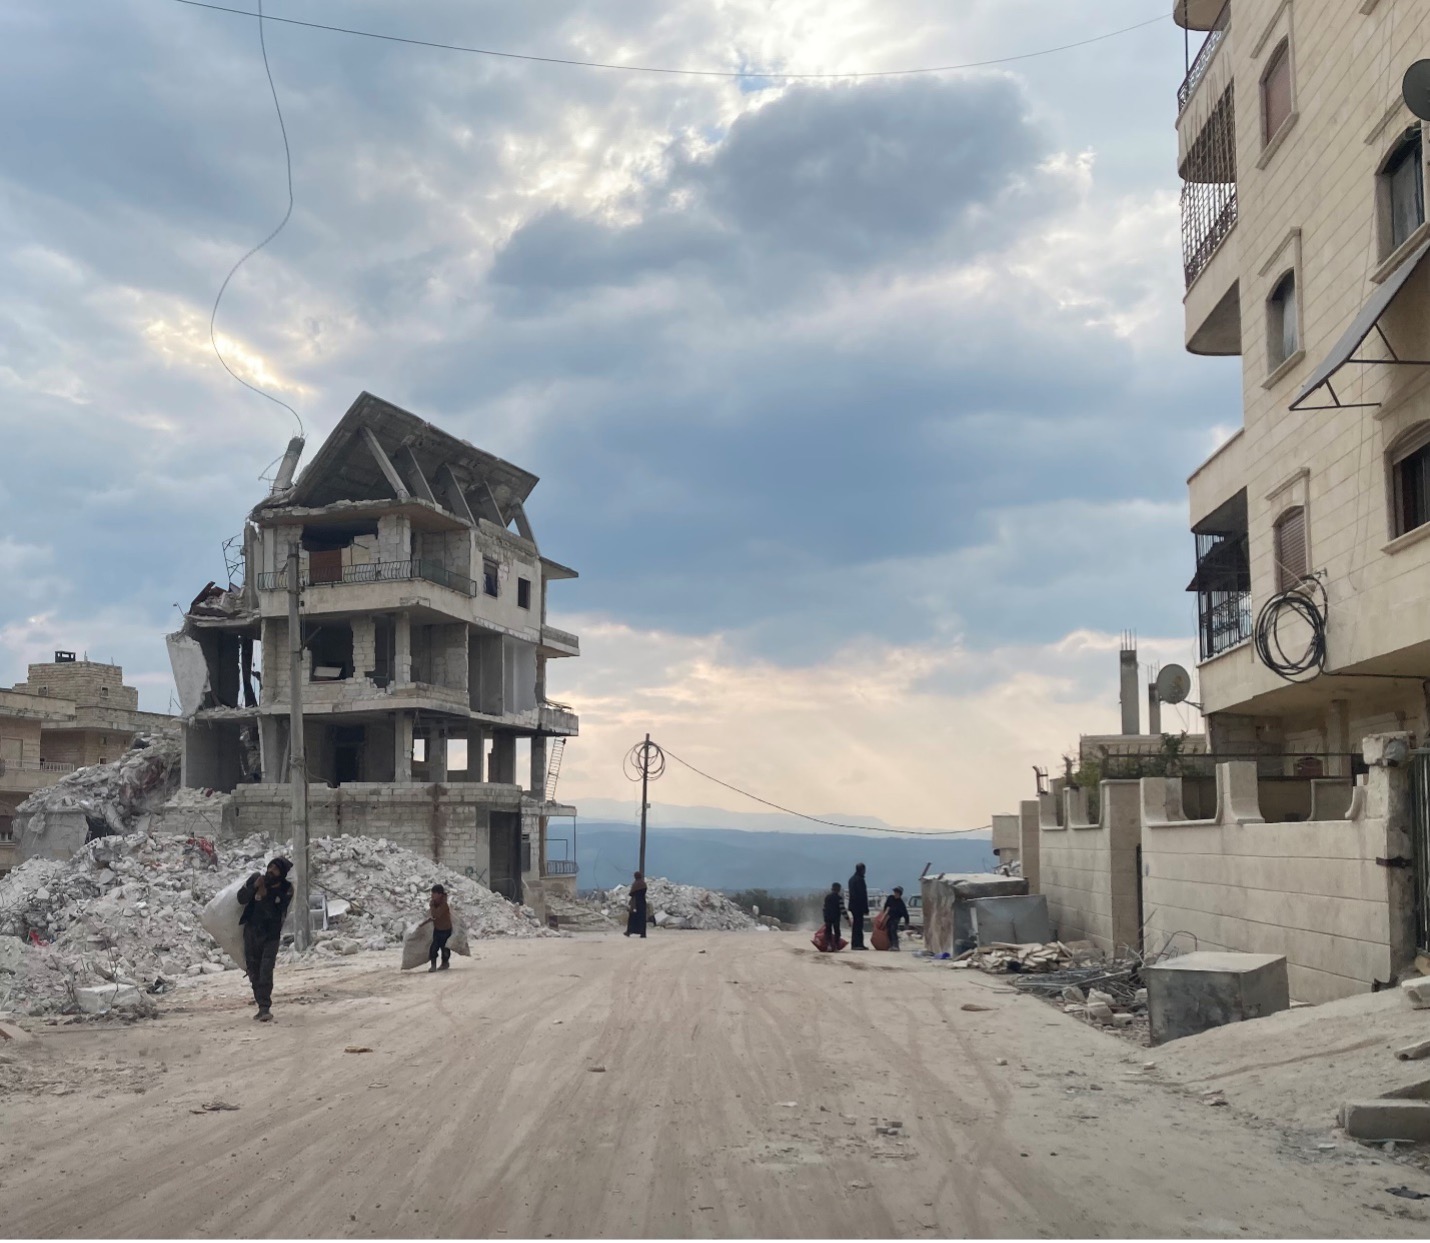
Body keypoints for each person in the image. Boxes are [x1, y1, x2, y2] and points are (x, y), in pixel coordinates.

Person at [237, 857, 293, 1022]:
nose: (270, 871)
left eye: (275, 869)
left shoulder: (286, 889)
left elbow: (280, 910)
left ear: (281, 873)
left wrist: (265, 896)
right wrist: (254, 887)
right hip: (252, 932)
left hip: (271, 935)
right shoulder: (256, 879)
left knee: (265, 970)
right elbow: (241, 898)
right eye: (269, 867)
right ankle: (260, 1005)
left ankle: (265, 1006)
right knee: (253, 970)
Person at [428, 884, 453, 972]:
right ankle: (433, 965)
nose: (432, 895)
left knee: (445, 949)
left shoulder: (444, 905)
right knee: (433, 947)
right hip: (437, 929)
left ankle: (445, 963)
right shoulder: (434, 903)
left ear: (440, 894)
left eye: (434, 893)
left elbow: (437, 914)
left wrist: (432, 906)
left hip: (446, 930)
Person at [847, 863, 869, 951]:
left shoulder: (851, 879)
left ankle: (855, 943)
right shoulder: (859, 880)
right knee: (858, 926)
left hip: (853, 905)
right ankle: (858, 944)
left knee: (856, 925)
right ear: (862, 870)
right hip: (858, 906)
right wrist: (865, 908)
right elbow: (862, 895)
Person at [882, 886, 910, 952]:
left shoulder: (901, 903)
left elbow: (906, 914)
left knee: (893, 930)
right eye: (895, 892)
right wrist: (884, 913)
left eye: (897, 893)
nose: (895, 894)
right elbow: (886, 906)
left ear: (900, 894)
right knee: (888, 931)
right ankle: (891, 945)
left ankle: (895, 945)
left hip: (896, 918)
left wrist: (906, 923)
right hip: (889, 917)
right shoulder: (890, 898)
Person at [821, 881, 844, 951]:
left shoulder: (827, 897)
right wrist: (848, 919)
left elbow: (824, 908)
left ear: (832, 889)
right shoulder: (839, 898)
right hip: (836, 917)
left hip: (827, 917)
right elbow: (842, 909)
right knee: (837, 931)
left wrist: (824, 916)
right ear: (839, 889)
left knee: (828, 931)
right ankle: (836, 946)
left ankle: (829, 945)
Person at [624, 871, 648, 939]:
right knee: (642, 918)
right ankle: (643, 933)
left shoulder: (635, 884)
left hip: (636, 903)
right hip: (642, 902)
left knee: (632, 918)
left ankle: (629, 931)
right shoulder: (643, 884)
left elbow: (631, 893)